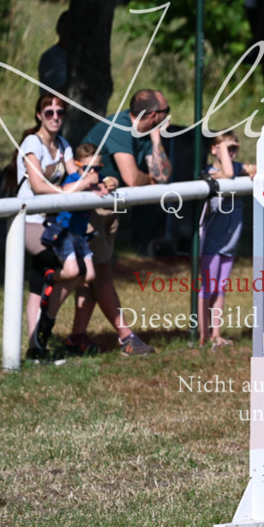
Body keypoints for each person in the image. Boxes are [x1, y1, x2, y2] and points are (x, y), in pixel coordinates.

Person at [71, 89, 174, 356]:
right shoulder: (120, 127)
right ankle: (126, 338)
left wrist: (156, 140)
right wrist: (148, 179)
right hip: (90, 208)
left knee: (92, 279)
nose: (168, 117)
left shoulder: (147, 132)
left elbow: (162, 176)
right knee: (101, 273)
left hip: (107, 208)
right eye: (166, 111)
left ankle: (77, 337)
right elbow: (131, 178)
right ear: (153, 115)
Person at [15, 94, 103, 360]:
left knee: (82, 274)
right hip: (29, 221)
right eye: (49, 112)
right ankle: (39, 338)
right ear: (39, 115)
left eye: (60, 112)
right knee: (70, 270)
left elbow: (76, 175)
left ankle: (38, 342)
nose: (55, 117)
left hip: (51, 222)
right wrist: (70, 189)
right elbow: (38, 186)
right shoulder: (32, 142)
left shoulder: (64, 144)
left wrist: (100, 182)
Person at [198, 131, 256, 349]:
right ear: (214, 149)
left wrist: (252, 170)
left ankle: (216, 333)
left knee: (220, 288)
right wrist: (224, 152)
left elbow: (256, 169)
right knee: (208, 287)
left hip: (230, 241)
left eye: (234, 149)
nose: (231, 152)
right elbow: (229, 173)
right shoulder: (209, 173)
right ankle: (202, 333)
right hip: (211, 242)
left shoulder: (236, 169)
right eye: (226, 148)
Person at [38, 10, 69, 97]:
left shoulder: (80, 58)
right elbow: (63, 91)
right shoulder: (50, 58)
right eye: (65, 27)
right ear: (59, 30)